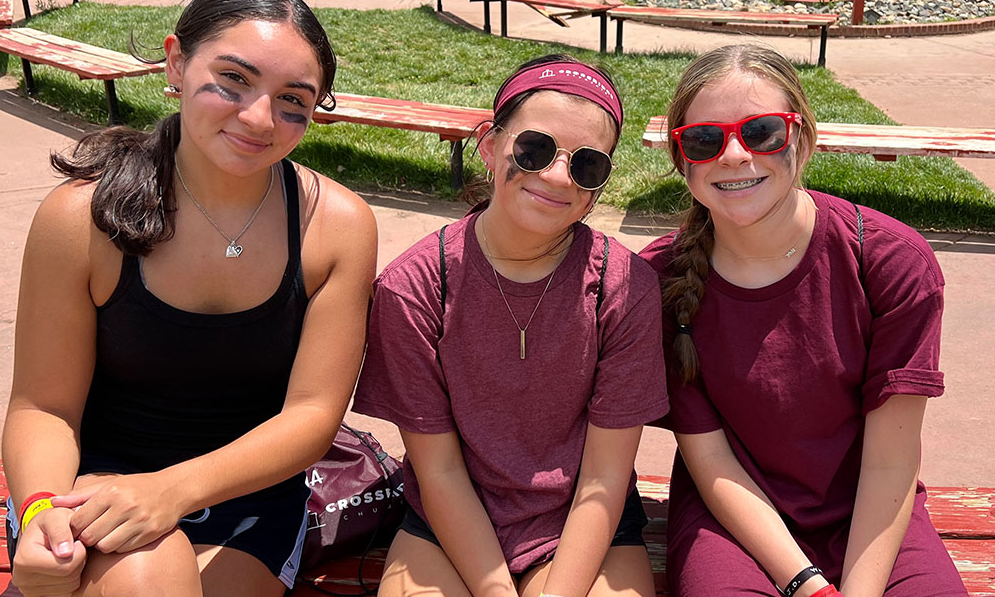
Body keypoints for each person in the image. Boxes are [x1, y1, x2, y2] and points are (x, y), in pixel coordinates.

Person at [2, 0, 378, 597]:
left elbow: (312, 415)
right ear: (176, 62)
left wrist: (170, 490)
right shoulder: (80, 217)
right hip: (82, 486)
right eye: (232, 80)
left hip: (245, 493)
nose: (258, 118)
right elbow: (44, 408)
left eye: (292, 100)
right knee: (146, 569)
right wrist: (42, 509)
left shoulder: (335, 226)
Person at [639, 44, 966, 597]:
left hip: (872, 511)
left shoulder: (889, 262)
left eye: (762, 132)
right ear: (682, 160)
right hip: (734, 517)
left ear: (803, 140)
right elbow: (710, 459)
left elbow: (891, 463)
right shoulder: (660, 282)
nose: (735, 155)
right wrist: (808, 585)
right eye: (704, 139)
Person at [353, 54, 669, 597]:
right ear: (490, 144)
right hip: (451, 517)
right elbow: (440, 471)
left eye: (587, 165)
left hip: (584, 518)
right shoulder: (415, 286)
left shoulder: (623, 287)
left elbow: (604, 477)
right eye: (535, 149)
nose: (557, 176)